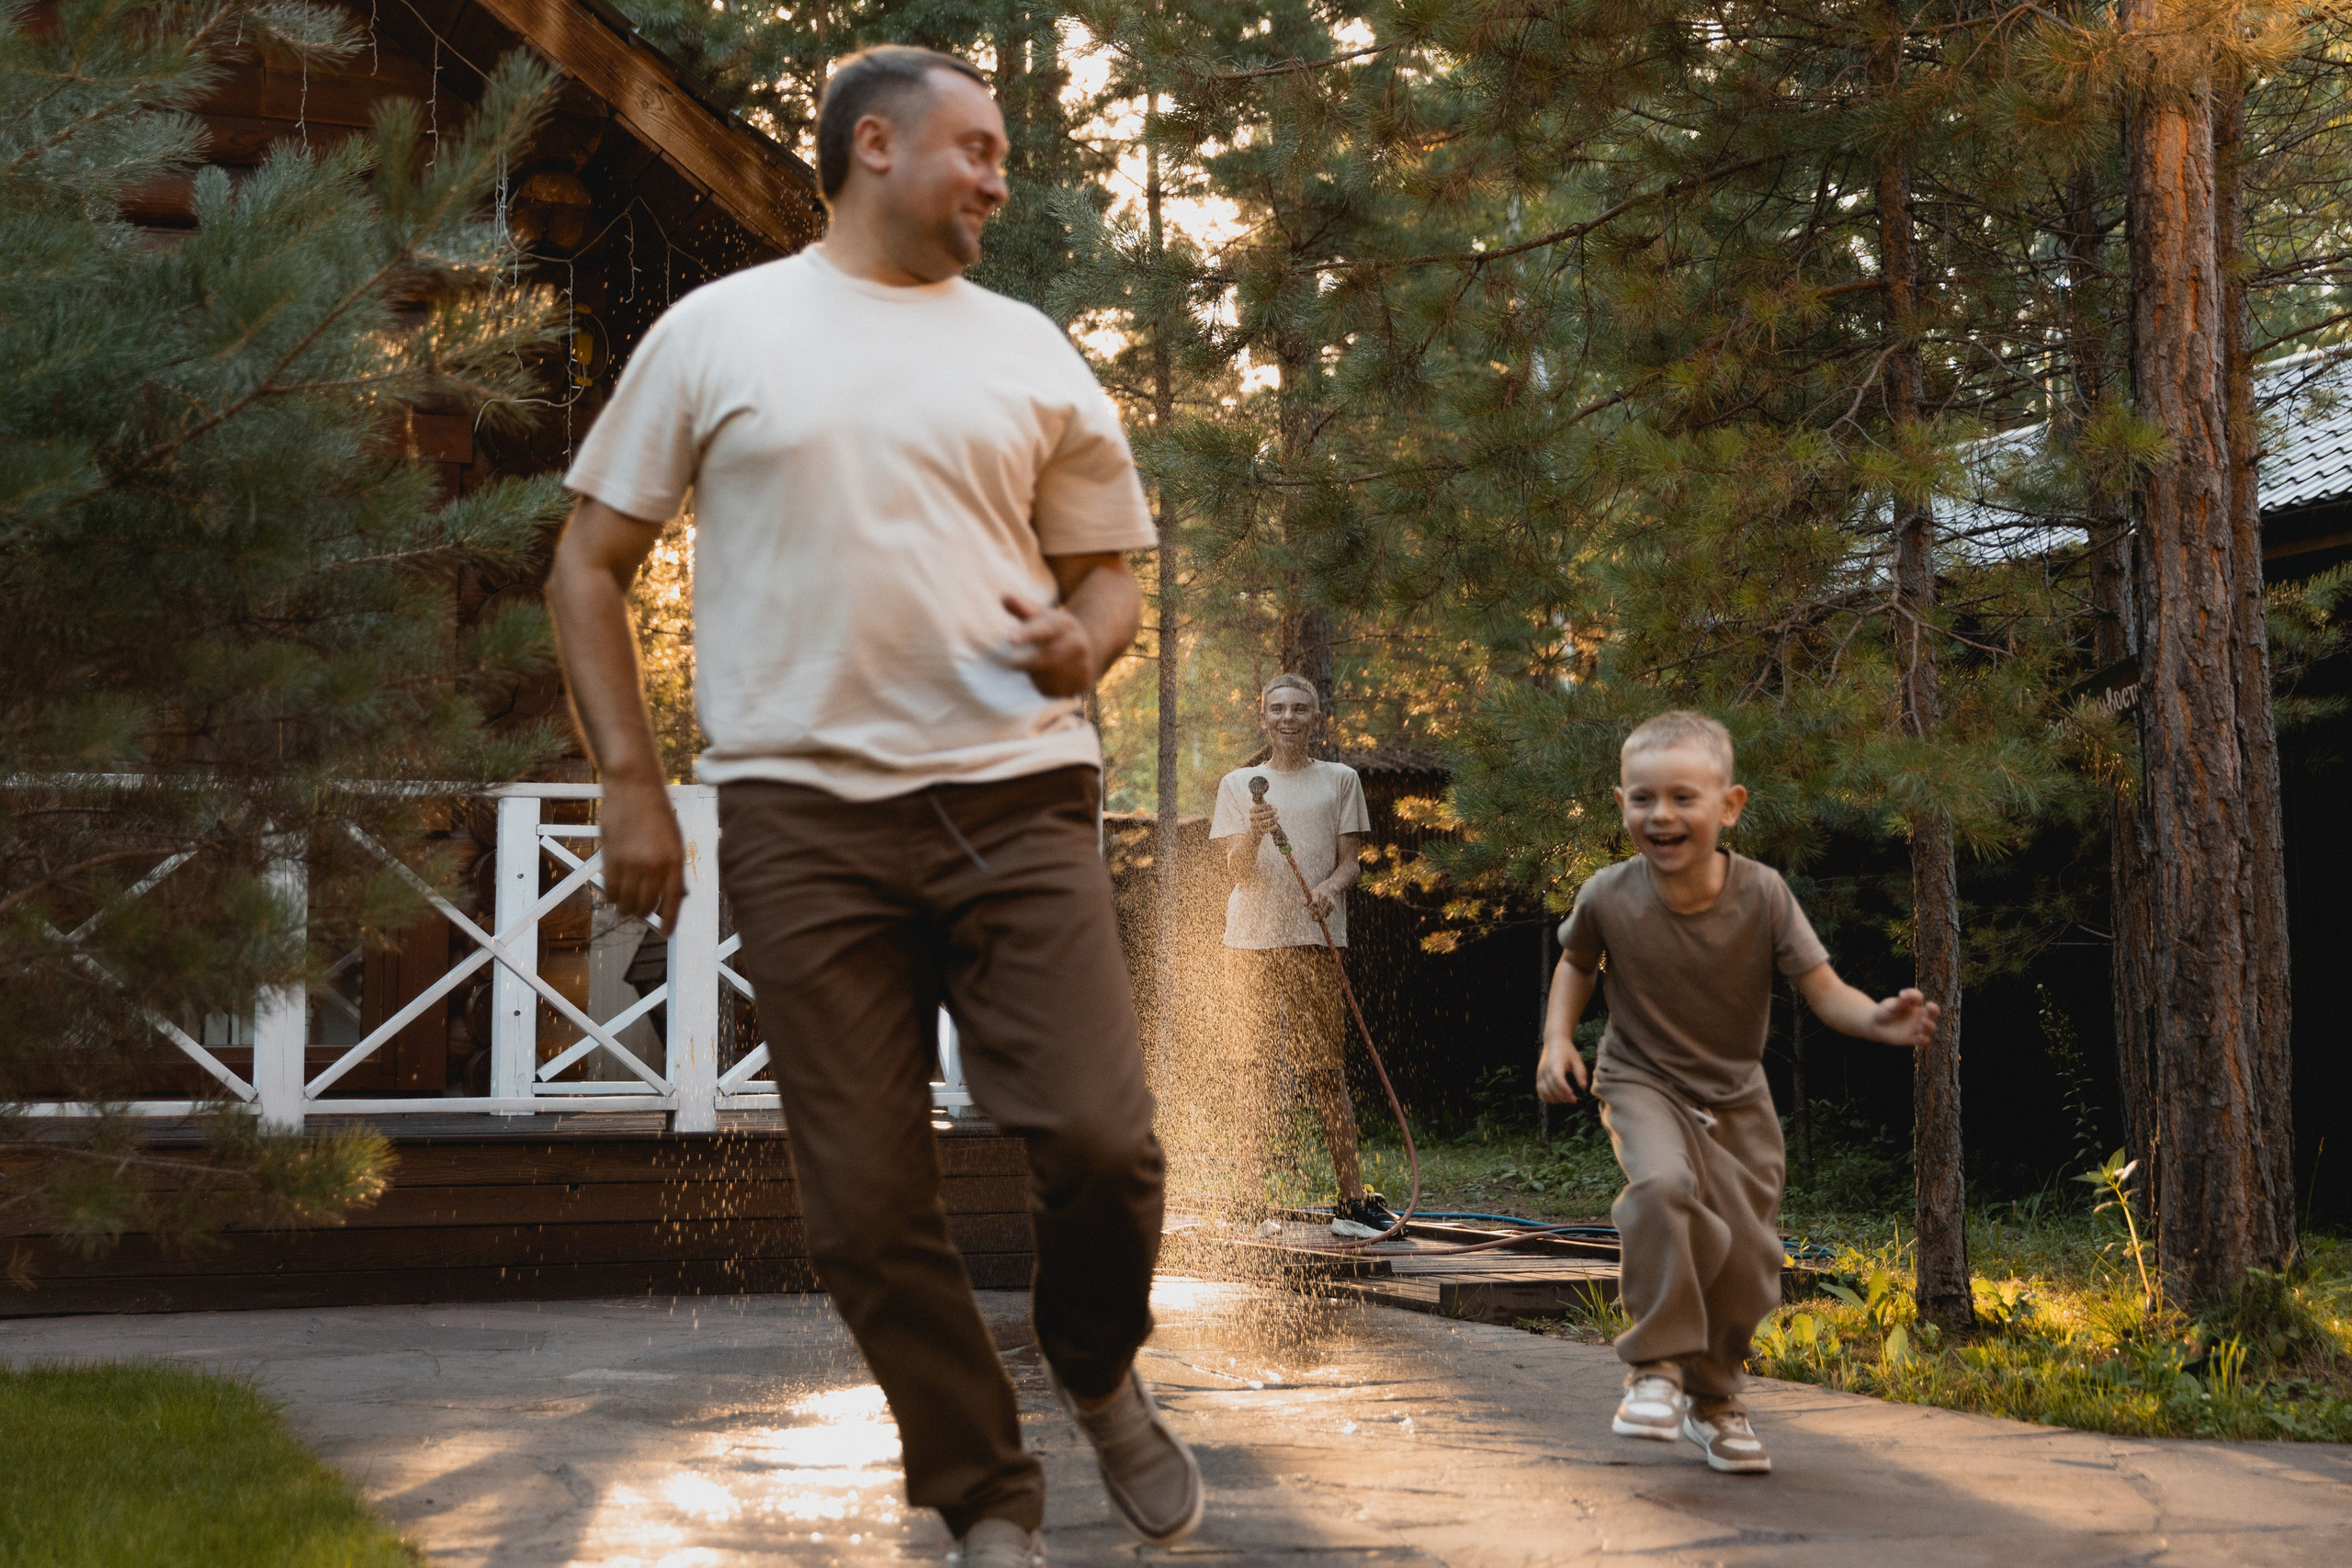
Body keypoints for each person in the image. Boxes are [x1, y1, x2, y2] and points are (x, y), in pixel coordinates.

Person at [542, 45, 1201, 1567]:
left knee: (1103, 1143)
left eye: (1006, 155)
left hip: (1018, 798)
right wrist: (631, 782)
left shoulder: (1029, 349)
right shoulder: (722, 335)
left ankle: (1095, 1365)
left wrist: (1081, 640)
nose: (998, 177)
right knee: (861, 1206)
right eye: (977, 148)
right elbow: (586, 564)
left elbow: (1112, 578)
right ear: (876, 147)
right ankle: (982, 1488)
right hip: (802, 820)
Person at [1534, 711, 1937, 1475]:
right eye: (1643, 798)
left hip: (1735, 1098)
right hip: (1642, 1078)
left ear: (1730, 805)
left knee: (1749, 1257)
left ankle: (1714, 1400)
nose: (1661, 815)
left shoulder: (1763, 894)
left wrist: (1878, 1020)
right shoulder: (1609, 894)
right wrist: (1558, 1039)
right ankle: (1654, 1370)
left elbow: (1824, 990)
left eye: (1683, 796)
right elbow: (1577, 964)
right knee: (1660, 1189)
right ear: (1621, 802)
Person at [1207, 673, 1396, 1238]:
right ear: (1262, 717)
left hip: (1317, 941)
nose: (1287, 717)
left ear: (1316, 718)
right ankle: (1249, 1205)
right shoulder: (1240, 784)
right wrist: (1252, 836)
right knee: (1254, 1072)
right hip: (1249, 944)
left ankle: (1351, 1204)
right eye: (1277, 709)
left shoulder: (1341, 779)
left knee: (1324, 1070)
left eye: (1299, 709)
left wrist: (1330, 888)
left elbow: (1352, 863)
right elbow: (1236, 872)